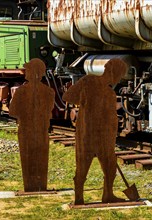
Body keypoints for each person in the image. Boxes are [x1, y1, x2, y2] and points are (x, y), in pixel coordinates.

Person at [63, 58, 128, 204]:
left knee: (110, 167)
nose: (118, 79)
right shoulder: (88, 82)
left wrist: (111, 139)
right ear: (111, 72)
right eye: (118, 75)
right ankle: (79, 198)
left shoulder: (110, 94)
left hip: (105, 137)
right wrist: (84, 98)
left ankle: (108, 195)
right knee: (82, 167)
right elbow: (68, 96)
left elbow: (111, 120)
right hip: (87, 134)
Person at [9, 58, 55, 192]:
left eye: (27, 70)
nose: (25, 72)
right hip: (42, 130)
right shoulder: (49, 92)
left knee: (27, 158)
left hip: (25, 129)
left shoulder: (21, 91)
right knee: (41, 158)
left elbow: (12, 111)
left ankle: (30, 186)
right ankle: (40, 185)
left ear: (34, 72)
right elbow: (49, 110)